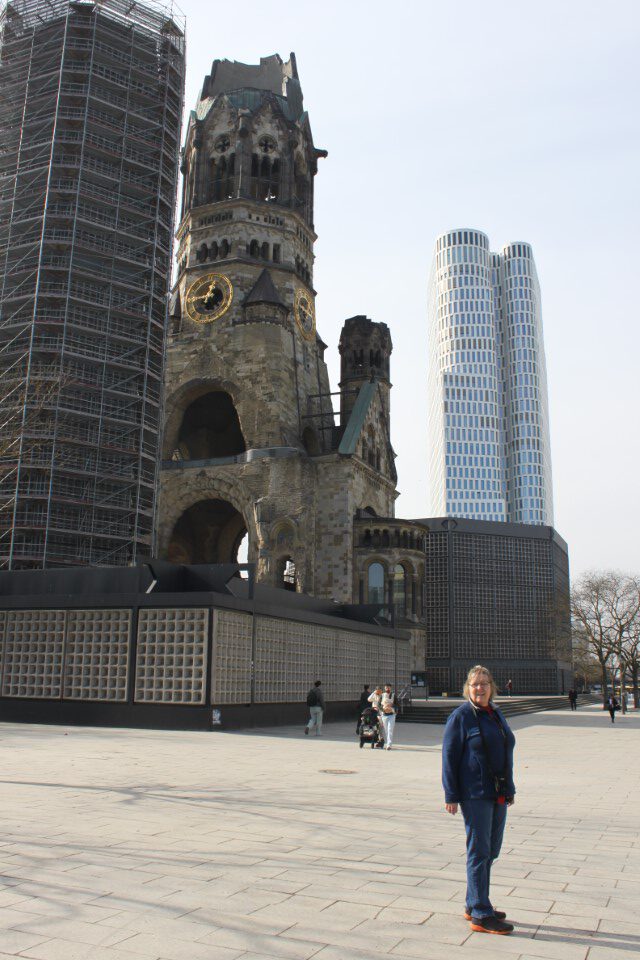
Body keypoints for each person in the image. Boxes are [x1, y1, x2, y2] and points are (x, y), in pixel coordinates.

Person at [442, 665, 516, 935]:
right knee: (479, 851)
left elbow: (506, 751)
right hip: (475, 794)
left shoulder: (495, 713)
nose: (480, 688)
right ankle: (481, 914)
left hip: (498, 791)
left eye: (484, 683)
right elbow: (449, 756)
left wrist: (510, 787)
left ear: (492, 687)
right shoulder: (461, 716)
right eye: (475, 684)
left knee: (492, 850)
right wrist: (451, 794)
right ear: (468, 688)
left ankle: (473, 902)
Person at [380, 684, 398, 750]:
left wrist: (392, 707)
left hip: (391, 715)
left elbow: (397, 704)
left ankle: (389, 745)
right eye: (386, 688)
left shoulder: (393, 695)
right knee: (386, 730)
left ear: (390, 688)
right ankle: (388, 742)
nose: (387, 689)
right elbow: (379, 704)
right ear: (384, 688)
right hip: (384, 715)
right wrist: (383, 709)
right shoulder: (382, 695)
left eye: (388, 688)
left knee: (390, 729)